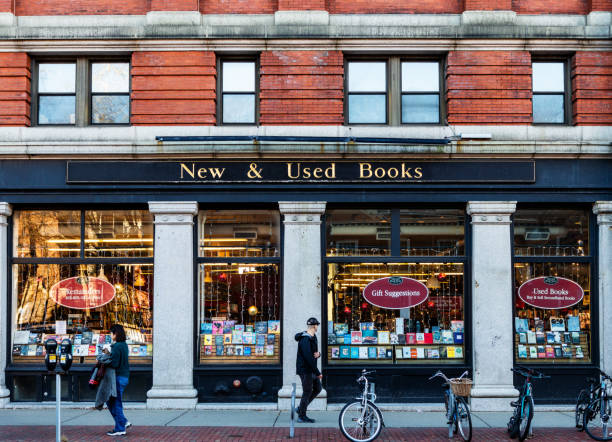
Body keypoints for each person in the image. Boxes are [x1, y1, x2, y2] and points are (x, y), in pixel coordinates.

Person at [294, 317, 322, 423]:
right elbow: (308, 357)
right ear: (314, 326)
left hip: (311, 369)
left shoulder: (313, 337)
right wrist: (317, 372)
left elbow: (314, 354)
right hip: (305, 370)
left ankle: (301, 408)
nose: (317, 327)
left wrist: (319, 354)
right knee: (307, 391)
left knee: (318, 388)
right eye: (317, 325)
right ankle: (302, 416)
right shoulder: (305, 339)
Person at [106, 324, 131, 436]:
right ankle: (123, 422)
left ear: (115, 334)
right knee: (113, 401)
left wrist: (106, 359)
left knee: (115, 402)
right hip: (124, 377)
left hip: (118, 377)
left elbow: (115, 363)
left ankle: (120, 427)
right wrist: (110, 354)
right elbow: (120, 359)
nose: (111, 335)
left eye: (111, 333)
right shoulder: (124, 345)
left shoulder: (116, 346)